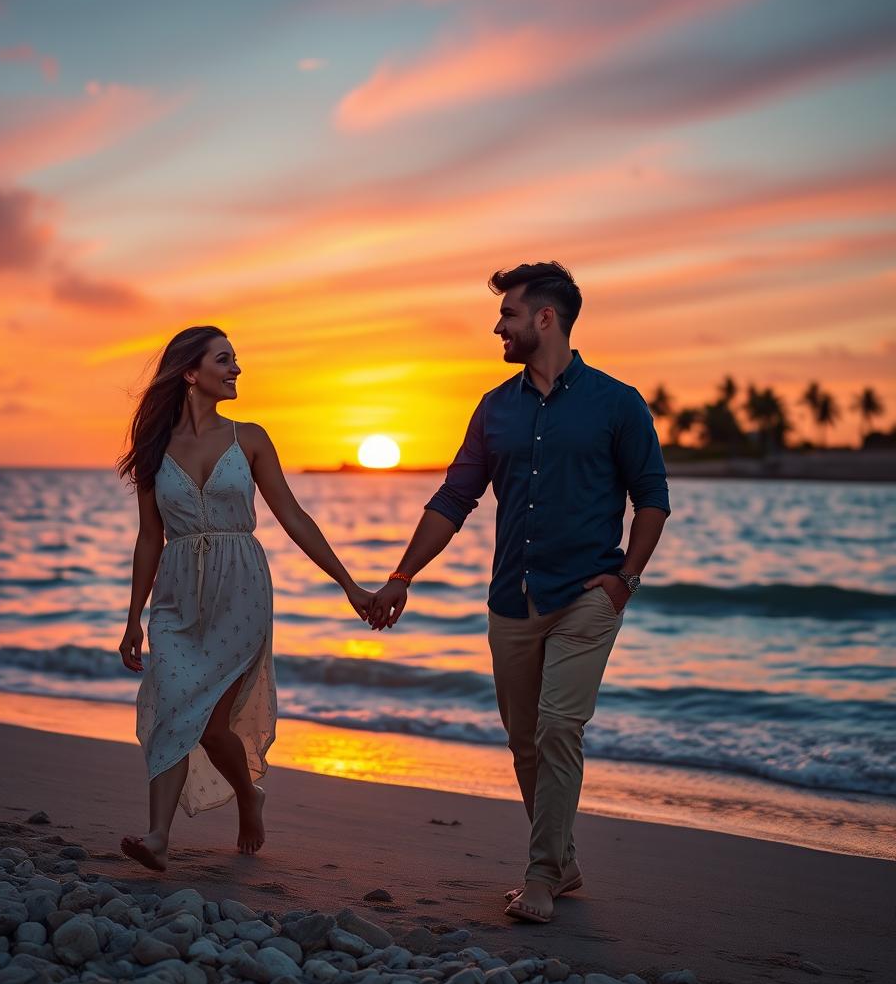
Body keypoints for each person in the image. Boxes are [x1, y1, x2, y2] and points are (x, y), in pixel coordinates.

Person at [369, 262, 670, 923]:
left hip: (588, 594)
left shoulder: (617, 403)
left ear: (544, 318)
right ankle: (564, 865)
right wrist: (401, 576)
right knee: (525, 742)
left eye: (508, 314)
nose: (497, 325)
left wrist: (626, 580)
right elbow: (456, 497)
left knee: (560, 727)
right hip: (512, 599)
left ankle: (538, 877)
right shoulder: (494, 407)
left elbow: (652, 498)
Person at [116, 325, 373, 871]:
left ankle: (249, 797)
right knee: (170, 711)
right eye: (225, 360)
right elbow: (148, 537)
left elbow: (294, 517)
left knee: (210, 725)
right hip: (177, 595)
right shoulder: (154, 450)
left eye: (235, 360)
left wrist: (349, 584)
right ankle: (158, 836)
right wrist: (134, 616)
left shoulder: (250, 437)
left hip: (241, 589)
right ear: (191, 372)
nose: (237, 370)